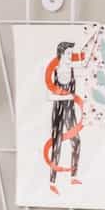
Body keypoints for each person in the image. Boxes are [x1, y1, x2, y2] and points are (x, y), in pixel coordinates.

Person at [43, 41, 85, 191]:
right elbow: (49, 96)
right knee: (57, 144)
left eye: (71, 53)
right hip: (59, 110)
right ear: (61, 54)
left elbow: (84, 66)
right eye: (68, 53)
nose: (70, 56)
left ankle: (73, 176)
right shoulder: (54, 71)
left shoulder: (73, 70)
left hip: (70, 111)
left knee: (77, 141)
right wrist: (67, 96)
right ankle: (52, 182)